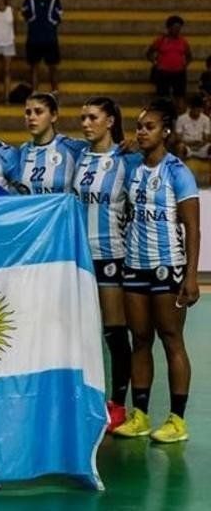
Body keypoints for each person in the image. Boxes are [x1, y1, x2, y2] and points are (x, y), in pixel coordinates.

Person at [113, 98, 201, 444]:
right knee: (140, 341)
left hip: (167, 268)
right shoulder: (132, 166)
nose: (141, 132)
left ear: (165, 131)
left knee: (171, 339)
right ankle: (140, 415)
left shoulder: (178, 171)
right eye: (139, 126)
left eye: (149, 127)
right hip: (134, 266)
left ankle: (177, 420)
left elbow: (192, 228)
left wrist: (190, 276)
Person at [73, 96, 137, 431]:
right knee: (81, 332)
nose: (85, 123)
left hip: (112, 255)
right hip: (78, 258)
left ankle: (118, 403)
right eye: (83, 118)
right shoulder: (77, 156)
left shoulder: (128, 159)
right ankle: (86, 398)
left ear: (110, 121)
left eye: (93, 117)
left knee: (114, 332)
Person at [16, 92, 86, 195]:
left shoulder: (74, 148)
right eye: (28, 112)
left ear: (53, 116)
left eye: (38, 112)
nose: (31, 117)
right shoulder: (22, 152)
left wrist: (119, 146)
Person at [22, 0, 63, 94]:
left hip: (50, 38)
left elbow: (59, 15)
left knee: (53, 66)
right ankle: (34, 91)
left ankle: (55, 91)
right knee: (34, 66)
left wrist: (51, 23)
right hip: (34, 38)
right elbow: (24, 13)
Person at [147, 15, 193, 100]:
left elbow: (189, 56)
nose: (178, 30)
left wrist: (184, 65)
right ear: (169, 28)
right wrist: (155, 63)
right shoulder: (160, 40)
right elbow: (149, 53)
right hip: (163, 73)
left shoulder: (183, 41)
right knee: (163, 98)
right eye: (175, 27)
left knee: (179, 97)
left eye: (179, 28)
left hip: (179, 73)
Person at [176, 95, 211, 159]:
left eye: (199, 109)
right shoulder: (181, 119)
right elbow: (178, 138)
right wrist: (190, 143)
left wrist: (202, 143)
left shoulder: (206, 119)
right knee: (180, 147)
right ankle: (179, 167)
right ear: (190, 108)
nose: (197, 112)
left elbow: (207, 138)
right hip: (187, 146)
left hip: (201, 147)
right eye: (195, 109)